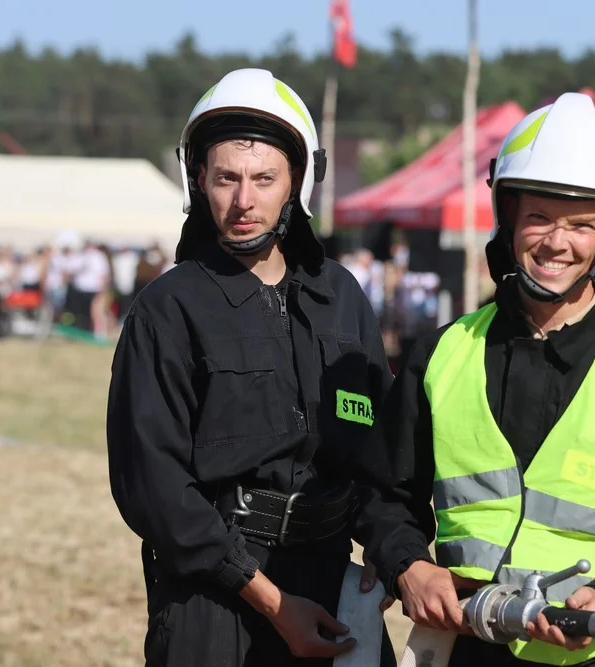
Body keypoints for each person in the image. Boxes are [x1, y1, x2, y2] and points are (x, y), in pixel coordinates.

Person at [356, 92, 595, 666]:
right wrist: (410, 564)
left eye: (581, 225)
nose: (557, 243)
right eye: (539, 218)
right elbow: (385, 496)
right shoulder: (442, 353)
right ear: (507, 219)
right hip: (468, 650)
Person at [106, 68, 396, 666]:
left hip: (334, 588)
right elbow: (153, 488)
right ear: (198, 182)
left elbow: (381, 458)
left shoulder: (343, 298)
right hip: (213, 601)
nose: (244, 201)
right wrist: (268, 598)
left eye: (264, 179)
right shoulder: (166, 310)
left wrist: (395, 560)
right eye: (226, 179)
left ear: (296, 182)